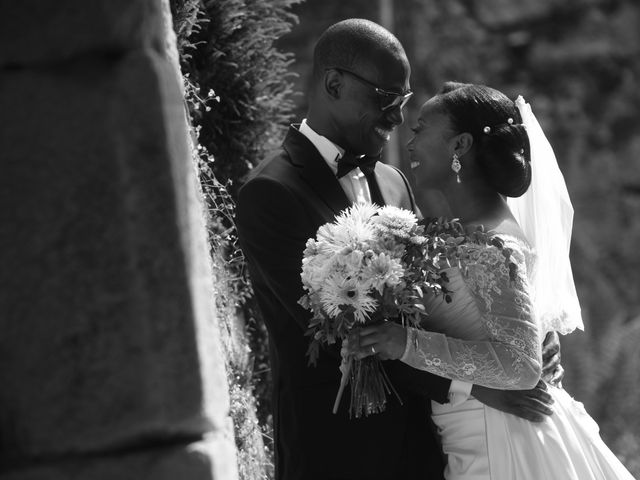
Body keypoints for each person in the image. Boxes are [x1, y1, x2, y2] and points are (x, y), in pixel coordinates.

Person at [236, 20, 559, 480]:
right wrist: (474, 386)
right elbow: (329, 337)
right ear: (333, 84)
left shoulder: (395, 181)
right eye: (386, 99)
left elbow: (434, 300)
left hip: (426, 448)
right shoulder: (270, 193)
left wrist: (522, 340)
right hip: (337, 452)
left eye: (404, 102)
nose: (397, 118)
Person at [347, 82, 635, 479]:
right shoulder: (464, 231)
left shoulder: (490, 243)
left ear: (460, 145)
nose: (409, 140)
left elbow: (521, 365)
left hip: (500, 438)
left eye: (421, 129)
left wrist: (405, 343)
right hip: (472, 429)